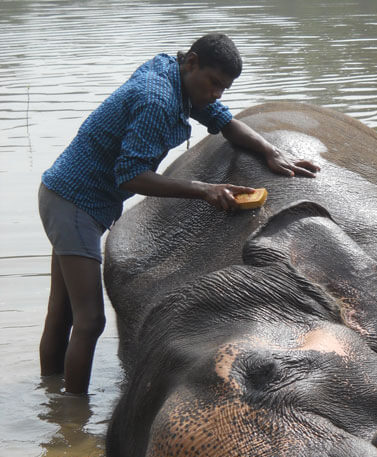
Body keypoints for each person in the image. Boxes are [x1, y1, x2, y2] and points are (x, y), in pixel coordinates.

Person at [38, 33, 320, 395]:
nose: (217, 94)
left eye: (225, 88)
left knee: (63, 312)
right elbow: (131, 176)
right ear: (192, 63)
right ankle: (72, 418)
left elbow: (223, 121)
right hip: (75, 205)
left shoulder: (179, 79)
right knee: (90, 322)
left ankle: (49, 401)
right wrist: (206, 189)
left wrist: (268, 151)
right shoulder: (157, 99)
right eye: (214, 83)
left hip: (62, 194)